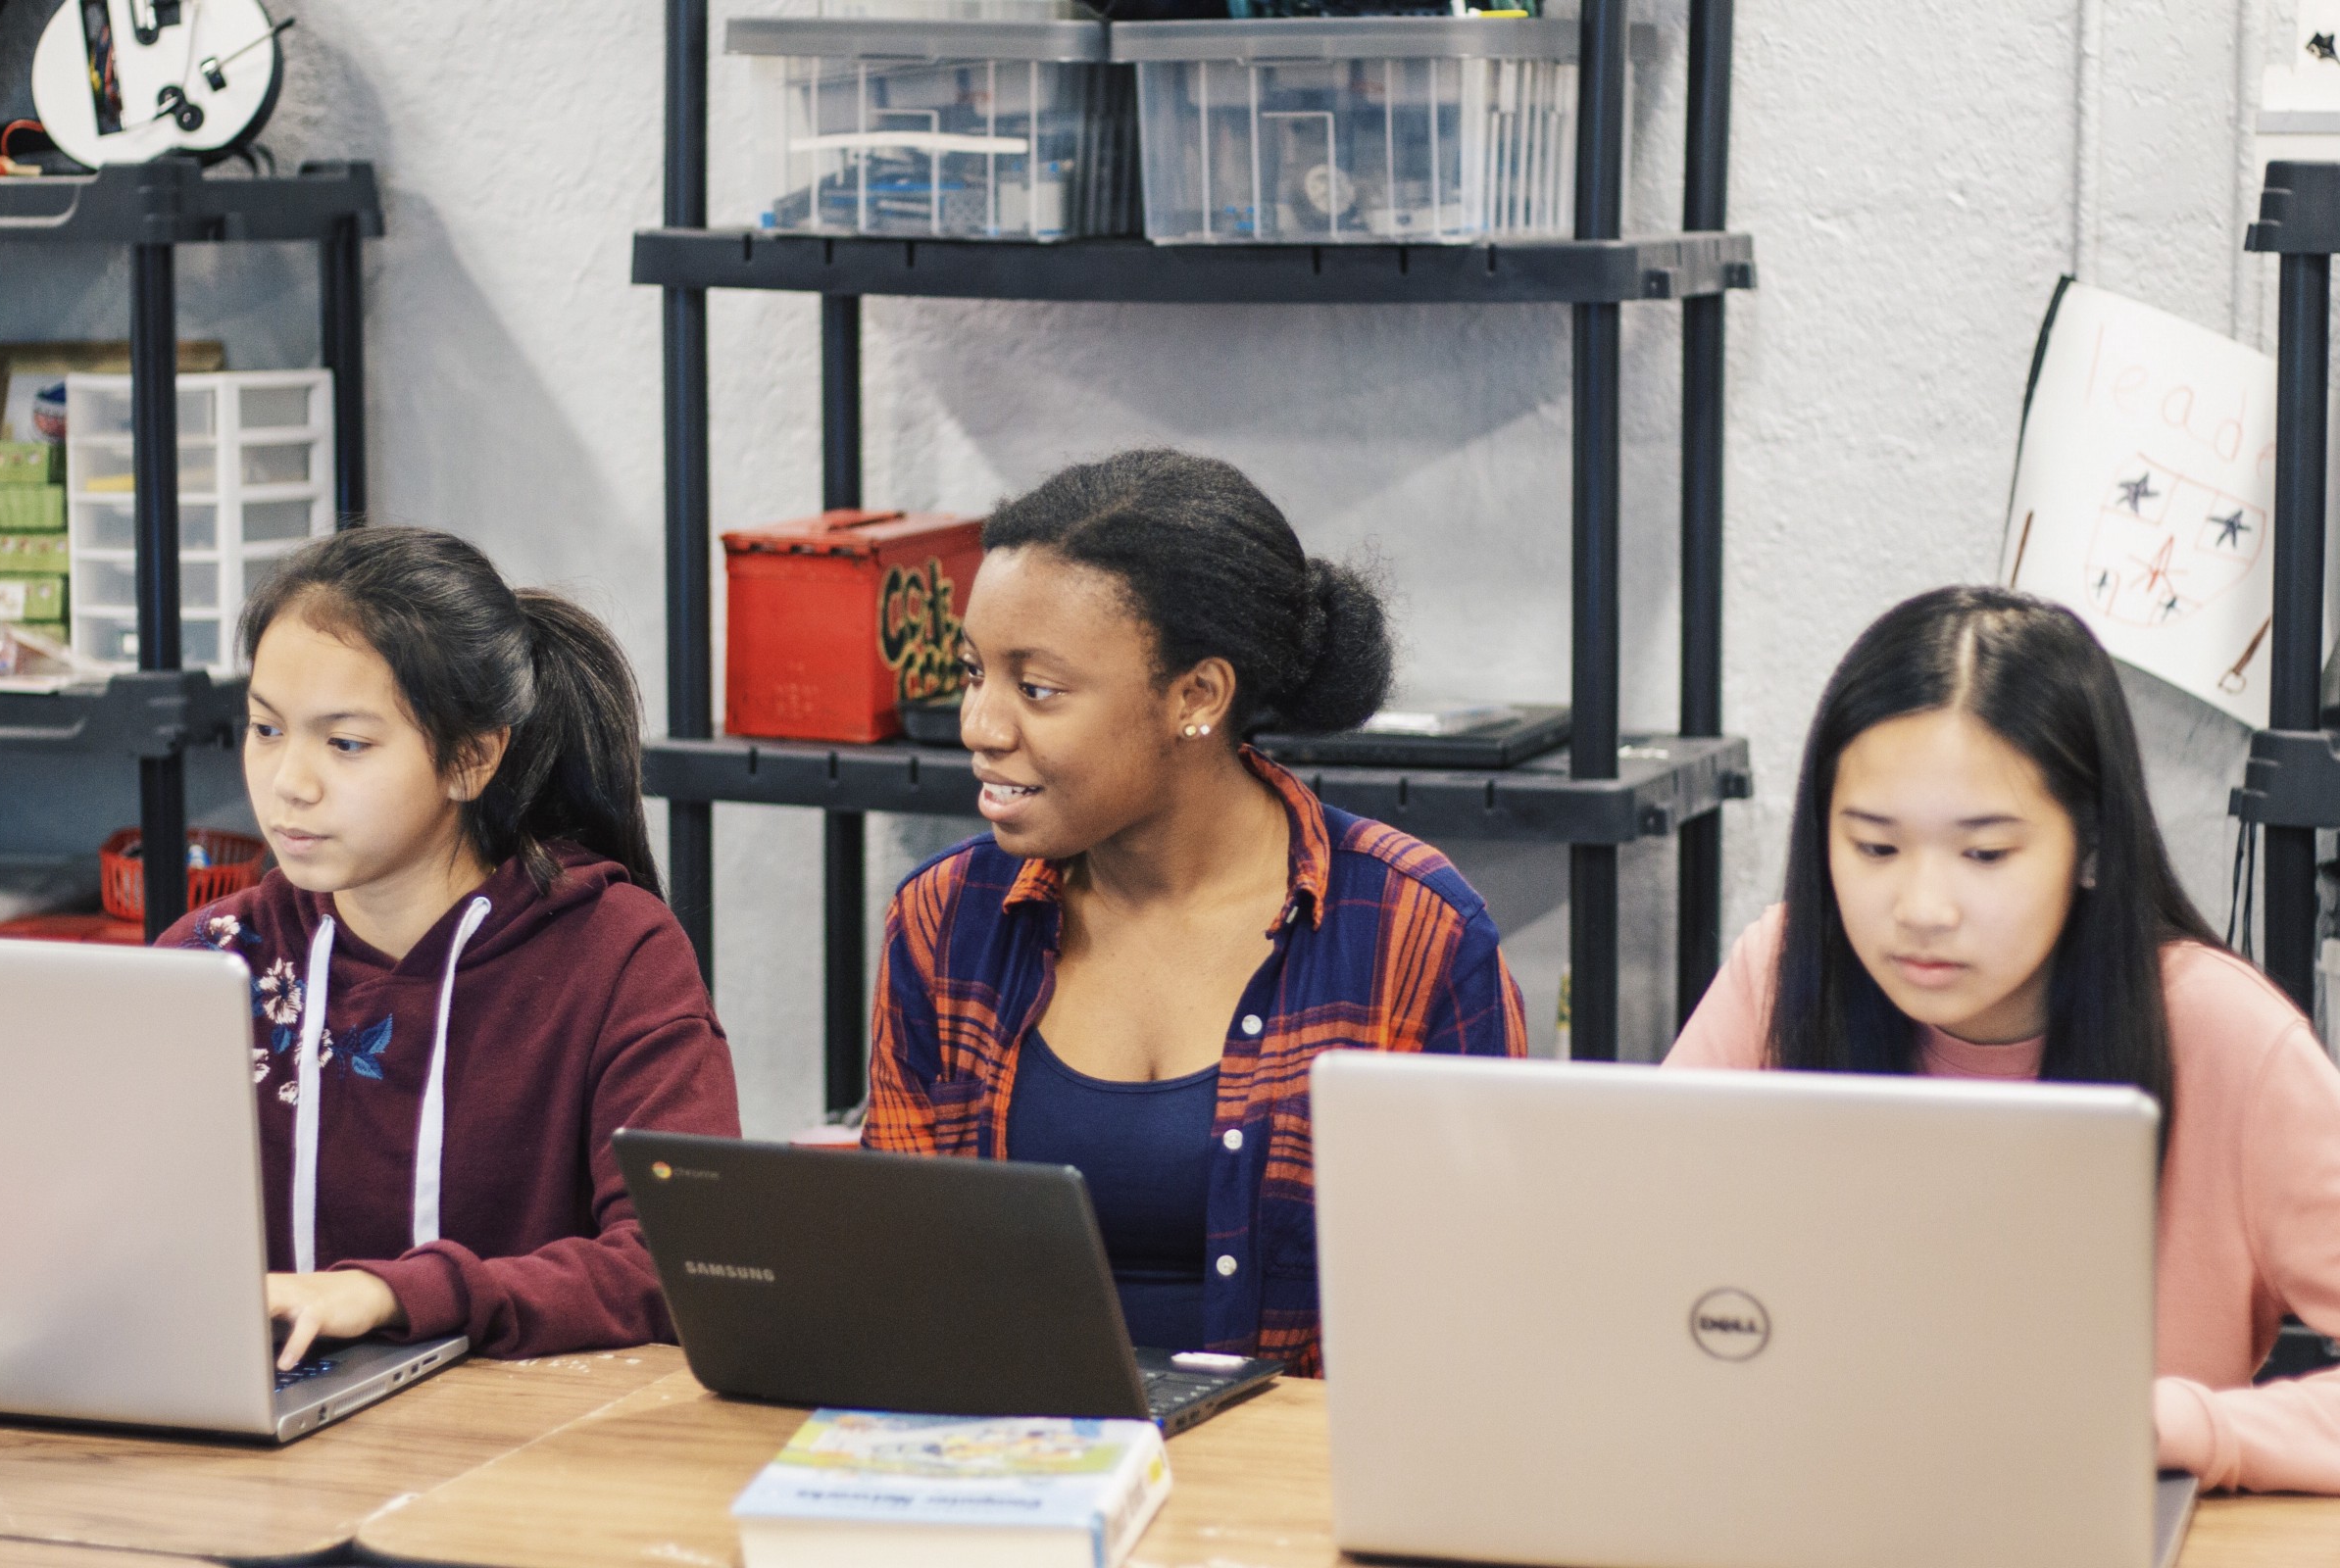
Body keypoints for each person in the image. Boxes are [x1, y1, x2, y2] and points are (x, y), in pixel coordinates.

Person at [864, 450, 1525, 1376]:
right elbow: (898, 1271)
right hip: (1009, 1465)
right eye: (975, 673)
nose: (981, 724)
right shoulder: (945, 920)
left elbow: (1480, 1303)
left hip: (1296, 1489)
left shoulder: (1414, 932)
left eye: (1037, 688)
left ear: (1196, 698)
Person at [1668, 584, 2340, 1494]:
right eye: (1873, 848)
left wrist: (2182, 1423)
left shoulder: (2227, 1039)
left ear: (2092, 846)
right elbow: (1614, 1277)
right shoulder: (1784, 976)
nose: (1921, 910)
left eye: (1985, 855)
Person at [157, 526, 741, 1368]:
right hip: (256, 1439)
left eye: (346, 742)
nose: (290, 781)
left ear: (471, 758)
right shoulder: (212, 960)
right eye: (265, 728)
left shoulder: (615, 953)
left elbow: (680, 1265)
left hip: (523, 1455)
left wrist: (393, 1295)